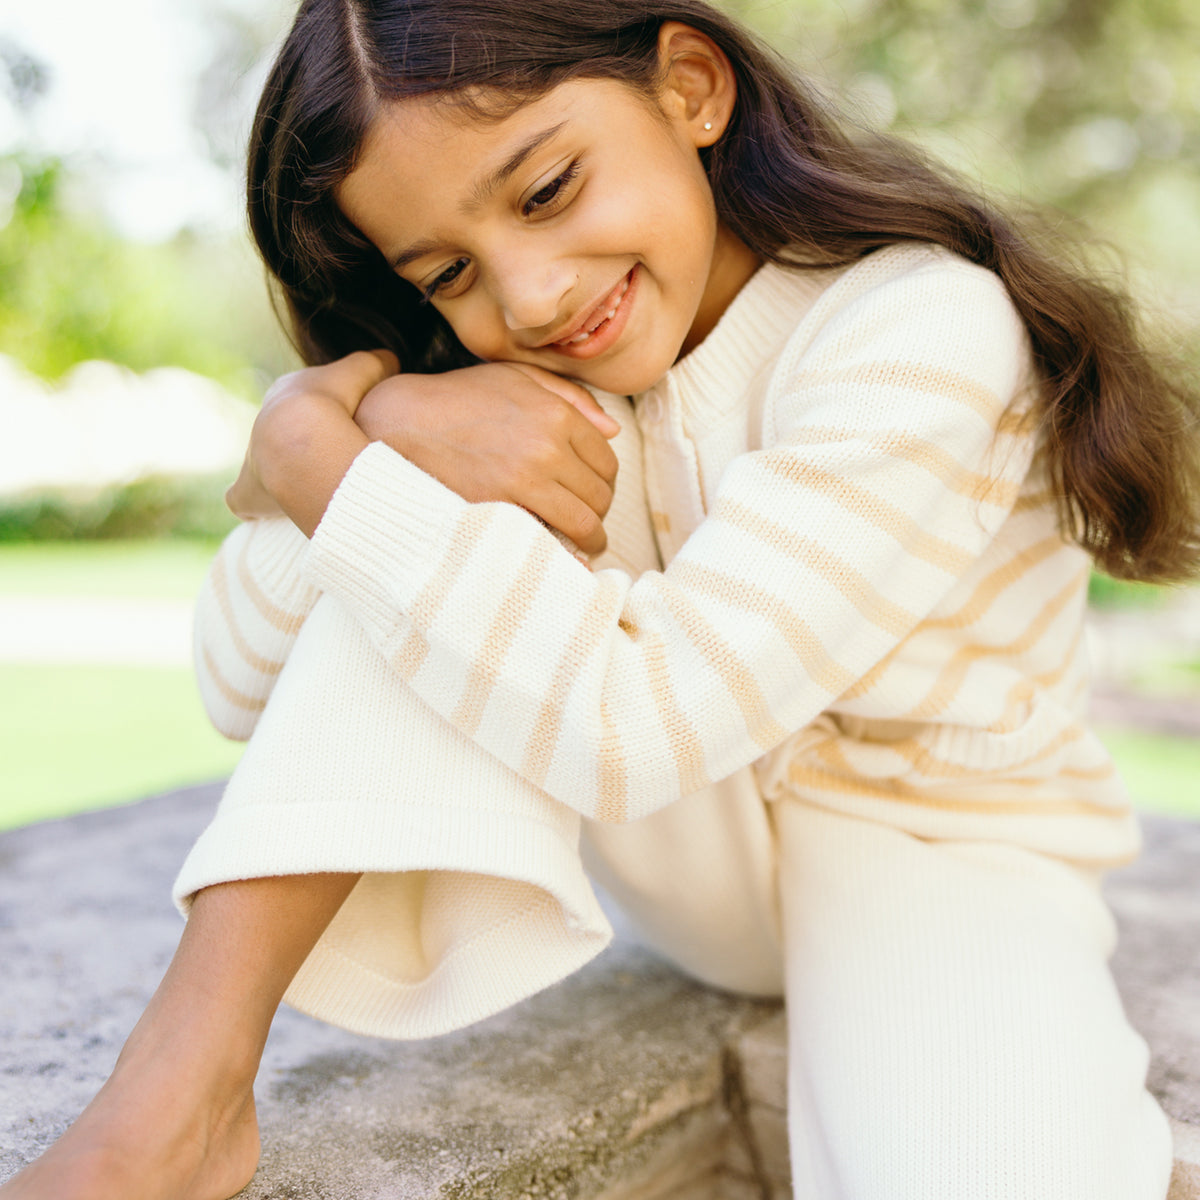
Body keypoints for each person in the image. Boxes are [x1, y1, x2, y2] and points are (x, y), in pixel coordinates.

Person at [5, 1, 1199, 1197]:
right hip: (693, 858)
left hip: (942, 852)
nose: (526, 300)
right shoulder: (517, 392)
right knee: (435, 546)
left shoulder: (918, 323)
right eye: (449, 274)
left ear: (689, 85)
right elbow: (232, 673)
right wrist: (378, 423)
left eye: (546, 191)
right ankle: (178, 1090)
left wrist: (321, 458)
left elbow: (642, 729)